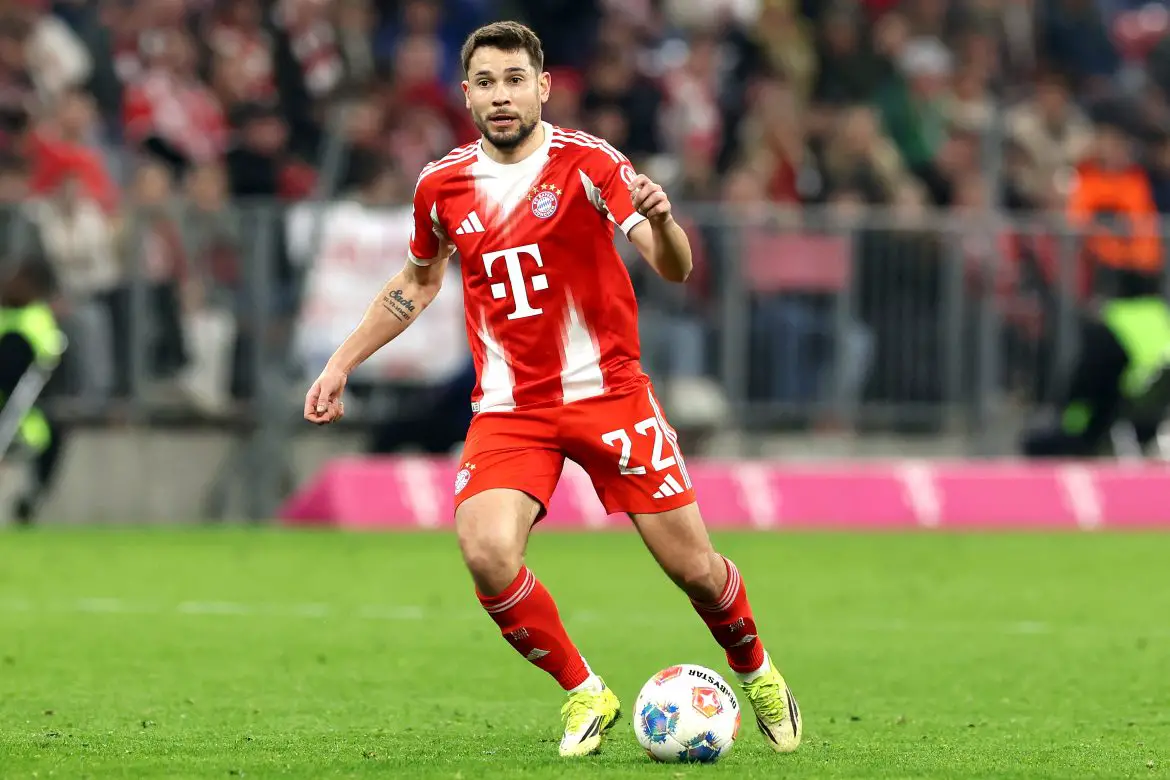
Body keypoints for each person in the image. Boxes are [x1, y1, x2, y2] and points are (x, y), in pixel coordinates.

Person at [303, 22, 801, 758]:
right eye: (486, 83)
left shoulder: (589, 163)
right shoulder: (440, 185)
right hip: (511, 408)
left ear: (541, 87)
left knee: (694, 568)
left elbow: (674, 267)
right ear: (466, 94)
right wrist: (341, 361)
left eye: (514, 80)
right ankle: (584, 691)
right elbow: (416, 281)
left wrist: (664, 222)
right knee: (486, 552)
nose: (501, 96)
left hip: (608, 394)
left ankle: (756, 671)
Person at [1021, 274, 1170, 457]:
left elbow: (1085, 381)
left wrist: (1065, 415)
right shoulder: (1161, 315)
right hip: (1155, 413)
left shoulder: (1111, 322)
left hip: (1114, 417)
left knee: (1036, 443)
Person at [0, 257, 67, 525]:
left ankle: (29, 501)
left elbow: (14, 378)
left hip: (20, 420)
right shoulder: (11, 317)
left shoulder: (33, 323)